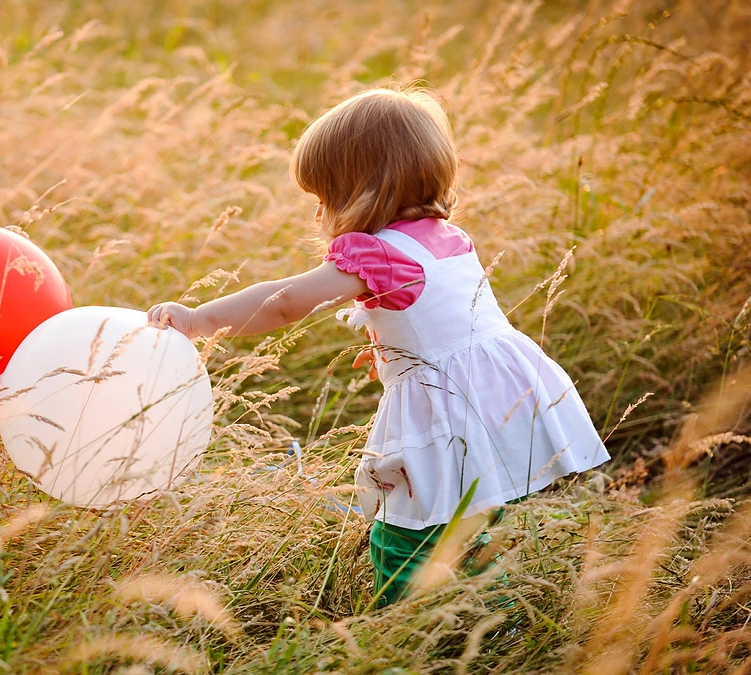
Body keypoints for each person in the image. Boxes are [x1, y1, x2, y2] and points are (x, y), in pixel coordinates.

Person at [147, 87, 609, 606]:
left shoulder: (377, 253)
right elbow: (443, 321)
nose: (321, 212)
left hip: (448, 411)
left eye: (326, 197)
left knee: (403, 536)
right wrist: (394, 349)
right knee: (467, 524)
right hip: (501, 397)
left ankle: (411, 628)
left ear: (361, 191)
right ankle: (494, 615)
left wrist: (198, 318)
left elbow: (284, 303)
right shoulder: (447, 237)